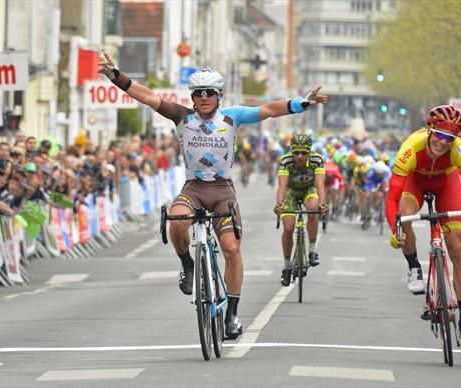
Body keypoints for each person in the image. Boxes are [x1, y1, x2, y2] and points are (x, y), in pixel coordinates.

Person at [98, 53, 327, 340]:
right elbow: (148, 97)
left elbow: (268, 109)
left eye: (209, 93)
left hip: (222, 191)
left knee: (231, 249)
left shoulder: (232, 116)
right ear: (192, 97)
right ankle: (187, 264)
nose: (204, 98)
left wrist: (300, 104)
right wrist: (116, 77)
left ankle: (232, 314)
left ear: (219, 95)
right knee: (177, 220)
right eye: (198, 93)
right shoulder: (182, 116)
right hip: (193, 188)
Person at [385, 105, 461, 347]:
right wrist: (395, 230)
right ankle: (414, 267)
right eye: (439, 135)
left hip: (445, 183)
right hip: (415, 183)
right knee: (406, 215)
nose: (443, 142)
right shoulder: (411, 147)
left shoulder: (459, 150)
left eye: (449, 138)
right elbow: (392, 197)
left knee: (457, 247)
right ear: (430, 130)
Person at [274, 133, 328, 286]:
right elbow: (282, 186)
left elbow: (320, 185)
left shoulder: (317, 160)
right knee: (289, 227)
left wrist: (322, 204)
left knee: (312, 207)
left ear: (309, 152)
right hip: (291, 191)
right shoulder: (286, 161)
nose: (299, 156)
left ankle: (312, 250)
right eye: (295, 152)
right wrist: (280, 203)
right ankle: (286, 266)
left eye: (303, 152)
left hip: (308, 189)